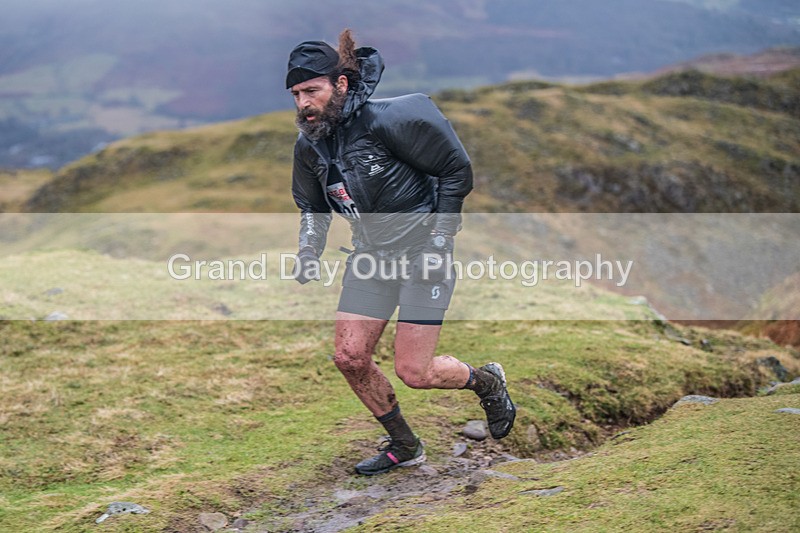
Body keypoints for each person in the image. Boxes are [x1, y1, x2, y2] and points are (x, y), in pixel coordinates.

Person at [287, 29, 515, 475]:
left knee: (416, 371)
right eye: (295, 94)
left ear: (341, 84)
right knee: (349, 358)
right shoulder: (309, 145)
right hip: (370, 259)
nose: (303, 104)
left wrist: (439, 243)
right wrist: (309, 249)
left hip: (422, 256)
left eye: (311, 90)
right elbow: (311, 204)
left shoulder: (391, 120)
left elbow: (456, 171)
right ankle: (404, 445)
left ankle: (487, 380)